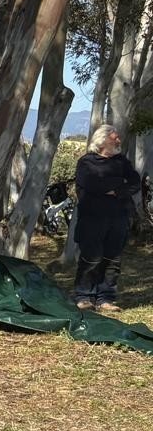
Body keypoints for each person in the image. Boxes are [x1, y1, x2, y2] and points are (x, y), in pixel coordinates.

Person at [71, 125, 141, 313]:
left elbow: (135, 182)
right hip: (92, 218)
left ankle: (105, 298)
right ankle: (84, 296)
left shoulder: (121, 162)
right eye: (114, 138)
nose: (118, 141)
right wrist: (118, 184)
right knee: (90, 258)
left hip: (119, 217)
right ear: (102, 140)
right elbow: (92, 184)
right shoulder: (86, 163)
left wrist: (116, 190)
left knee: (112, 259)